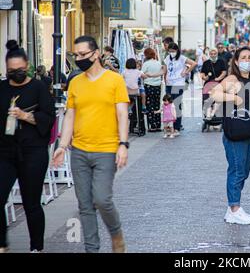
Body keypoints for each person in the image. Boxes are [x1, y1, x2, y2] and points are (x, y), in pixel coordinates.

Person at [52, 35, 129, 253]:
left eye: (83, 54)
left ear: (96, 54)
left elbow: (122, 114)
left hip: (106, 149)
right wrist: (62, 145)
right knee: (85, 205)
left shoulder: (115, 80)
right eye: (76, 55)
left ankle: (116, 234)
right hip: (79, 151)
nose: (79, 59)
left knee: (102, 199)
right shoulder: (75, 82)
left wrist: (123, 144)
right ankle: (92, 250)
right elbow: (70, 116)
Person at [0, 40, 56, 253]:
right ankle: (2, 243)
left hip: (33, 151)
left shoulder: (39, 88)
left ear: (27, 67)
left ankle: (36, 247)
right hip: (5, 151)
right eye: (12, 71)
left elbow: (48, 118)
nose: (17, 74)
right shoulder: (2, 89)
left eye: (21, 70)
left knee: (31, 202)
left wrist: (25, 116)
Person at [210, 46, 250, 225]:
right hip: (234, 133)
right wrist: (234, 98)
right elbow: (214, 93)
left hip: (248, 132)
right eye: (243, 58)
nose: (247, 60)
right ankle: (234, 208)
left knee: (244, 172)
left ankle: (232, 207)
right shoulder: (232, 79)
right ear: (237, 62)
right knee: (237, 170)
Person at [162, 42, 197, 135]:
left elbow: (194, 63)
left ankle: (177, 127)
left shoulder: (182, 58)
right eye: (169, 51)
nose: (171, 53)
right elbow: (165, 70)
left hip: (178, 84)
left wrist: (186, 72)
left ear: (177, 50)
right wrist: (164, 79)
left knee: (176, 105)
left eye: (173, 51)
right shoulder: (167, 58)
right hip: (169, 83)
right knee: (168, 105)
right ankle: (170, 127)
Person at [142, 48, 164, 132]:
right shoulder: (158, 63)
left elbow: (142, 74)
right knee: (156, 104)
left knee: (149, 105)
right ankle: (158, 124)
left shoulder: (146, 64)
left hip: (149, 85)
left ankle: (152, 125)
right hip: (157, 85)